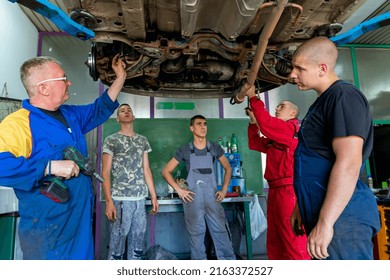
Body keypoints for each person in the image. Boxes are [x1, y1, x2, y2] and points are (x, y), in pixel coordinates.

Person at [0, 54, 126, 259]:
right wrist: (49, 167)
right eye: (62, 78)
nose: (69, 82)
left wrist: (120, 77)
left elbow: (99, 109)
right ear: (43, 88)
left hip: (80, 225)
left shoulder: (70, 115)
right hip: (48, 232)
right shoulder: (18, 124)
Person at [289, 36, 380, 260]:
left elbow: (349, 162)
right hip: (328, 213)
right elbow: (318, 160)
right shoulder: (323, 101)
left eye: (299, 68)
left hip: (344, 219)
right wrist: (301, 205)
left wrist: (326, 223)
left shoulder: (343, 97)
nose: (292, 74)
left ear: (322, 68)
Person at [243, 85, 310, 260]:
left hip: (288, 192)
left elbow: (266, 125)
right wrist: (252, 122)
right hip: (275, 191)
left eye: (282, 106)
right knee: (275, 240)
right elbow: (256, 143)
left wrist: (253, 98)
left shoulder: (290, 129)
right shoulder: (277, 137)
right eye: (277, 106)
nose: (277, 108)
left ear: (293, 114)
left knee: (292, 239)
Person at [161, 115, 235, 260]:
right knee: (196, 239)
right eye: (199, 124)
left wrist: (224, 189)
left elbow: (228, 168)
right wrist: (179, 190)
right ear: (192, 128)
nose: (203, 127)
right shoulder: (185, 150)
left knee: (221, 234)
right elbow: (165, 171)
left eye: (205, 124)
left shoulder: (214, 148)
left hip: (212, 199)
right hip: (193, 201)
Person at [101, 103, 159, 260]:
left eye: (129, 110)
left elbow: (146, 170)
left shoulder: (142, 140)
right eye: (122, 111)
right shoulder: (111, 140)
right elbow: (105, 173)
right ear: (117, 118)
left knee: (137, 245)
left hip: (140, 201)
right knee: (117, 246)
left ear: (133, 117)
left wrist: (153, 196)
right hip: (120, 200)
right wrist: (108, 202)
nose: (126, 112)